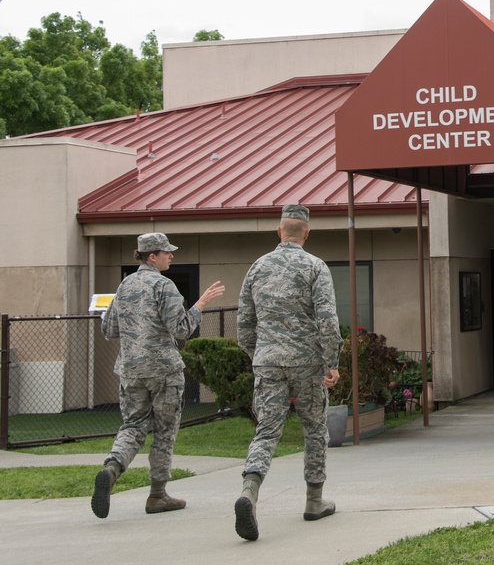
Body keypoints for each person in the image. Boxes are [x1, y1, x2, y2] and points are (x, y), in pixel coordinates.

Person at [92, 232, 225, 519]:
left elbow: (108, 330)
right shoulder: (165, 286)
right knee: (164, 432)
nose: (171, 256)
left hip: (130, 371)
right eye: (167, 252)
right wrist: (201, 304)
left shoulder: (125, 285)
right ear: (152, 256)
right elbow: (182, 329)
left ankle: (111, 469)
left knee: (132, 426)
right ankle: (158, 495)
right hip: (164, 370)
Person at [235, 204, 343, 542]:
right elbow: (327, 319)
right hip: (307, 362)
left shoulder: (257, 267)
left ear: (279, 232)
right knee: (314, 429)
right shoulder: (315, 266)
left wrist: (260, 354)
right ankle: (314, 501)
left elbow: (244, 323)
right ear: (306, 233)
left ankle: (249, 492)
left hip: (267, 360)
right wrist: (333, 361)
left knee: (266, 432)